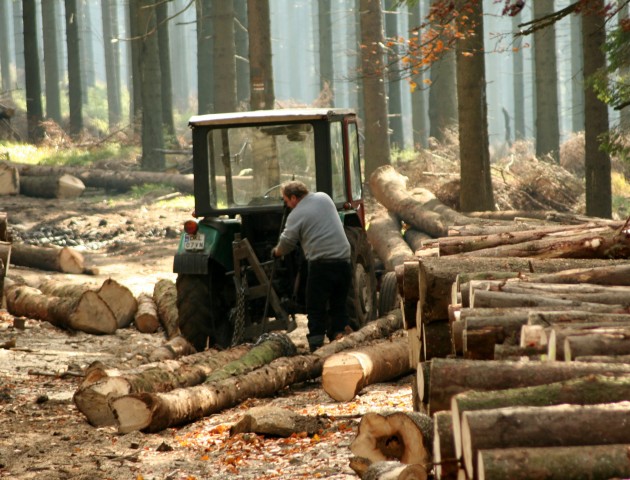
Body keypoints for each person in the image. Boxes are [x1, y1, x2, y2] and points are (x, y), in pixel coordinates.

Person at [271, 180, 352, 352]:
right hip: (344, 261)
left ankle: (316, 347)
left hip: (322, 264)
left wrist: (276, 252)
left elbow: (287, 242)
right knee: (339, 304)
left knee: (315, 307)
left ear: (293, 198)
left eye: (286, 201)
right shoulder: (324, 198)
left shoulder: (296, 215)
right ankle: (341, 337)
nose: (287, 205)